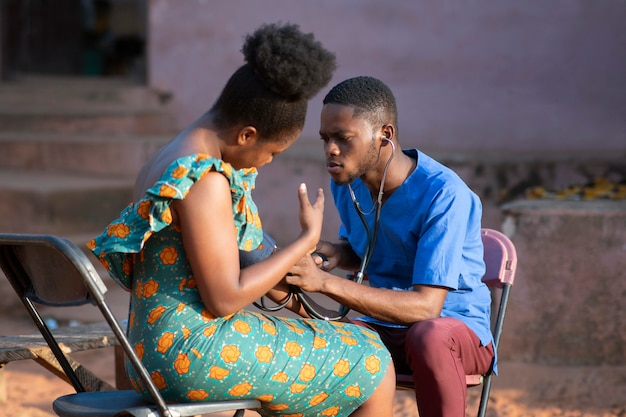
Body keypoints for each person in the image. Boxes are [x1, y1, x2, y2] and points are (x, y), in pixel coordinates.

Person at [88, 26, 395, 417]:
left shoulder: (167, 158)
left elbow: (232, 259)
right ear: (248, 134)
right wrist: (307, 239)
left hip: (144, 351)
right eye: (273, 152)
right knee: (370, 360)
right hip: (189, 356)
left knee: (322, 349)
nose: (267, 163)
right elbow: (225, 298)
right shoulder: (205, 179)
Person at [286, 76, 495, 417]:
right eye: (325, 139)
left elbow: (427, 308)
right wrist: (333, 254)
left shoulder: (444, 194)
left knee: (428, 337)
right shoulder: (347, 183)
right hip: (388, 325)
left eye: (343, 138)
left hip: (452, 330)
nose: (330, 151)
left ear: (385, 135)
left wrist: (324, 282)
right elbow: (370, 252)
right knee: (330, 342)